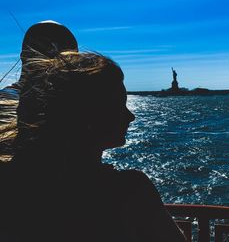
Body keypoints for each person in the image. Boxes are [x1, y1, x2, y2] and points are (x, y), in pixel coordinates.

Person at [0, 24, 186, 242]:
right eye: (120, 105)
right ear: (89, 117)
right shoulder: (129, 191)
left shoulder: (13, 187)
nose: (130, 116)